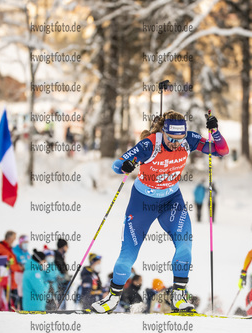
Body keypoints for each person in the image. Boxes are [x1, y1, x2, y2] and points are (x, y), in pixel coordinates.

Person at [91, 110, 229, 314]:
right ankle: (112, 299)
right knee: (127, 256)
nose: (176, 143)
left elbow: (222, 150)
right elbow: (117, 165)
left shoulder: (188, 139)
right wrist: (126, 165)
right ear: (164, 132)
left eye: (179, 139)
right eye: (171, 139)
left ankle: (179, 296)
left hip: (171, 201)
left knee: (185, 246)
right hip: (142, 203)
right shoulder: (149, 144)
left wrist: (215, 131)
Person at [0, 231, 23, 308]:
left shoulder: (8, 249)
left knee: (14, 303)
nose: (14, 240)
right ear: (9, 238)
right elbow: (9, 265)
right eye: (14, 238)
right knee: (9, 304)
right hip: (6, 282)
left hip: (12, 281)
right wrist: (19, 268)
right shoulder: (3, 249)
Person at [13, 235, 31, 309]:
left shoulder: (27, 253)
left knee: (24, 293)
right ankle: (17, 307)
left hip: (25, 277)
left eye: (27, 242)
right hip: (17, 276)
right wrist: (21, 266)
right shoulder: (14, 251)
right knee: (18, 292)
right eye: (24, 242)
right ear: (20, 242)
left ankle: (23, 308)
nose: (26, 244)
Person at [54, 239, 70, 307]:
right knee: (60, 302)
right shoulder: (55, 256)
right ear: (63, 246)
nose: (67, 248)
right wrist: (63, 276)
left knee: (63, 301)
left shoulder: (61, 256)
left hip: (63, 284)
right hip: (58, 285)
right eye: (66, 246)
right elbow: (56, 270)